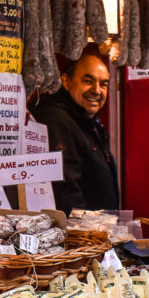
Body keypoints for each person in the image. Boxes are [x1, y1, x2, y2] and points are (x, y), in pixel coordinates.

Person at [30, 45, 119, 213]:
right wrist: (85, 232)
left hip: (96, 233)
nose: (97, 90)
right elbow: (65, 190)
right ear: (66, 81)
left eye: (104, 84)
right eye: (88, 81)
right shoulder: (57, 120)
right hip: (79, 235)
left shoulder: (83, 120)